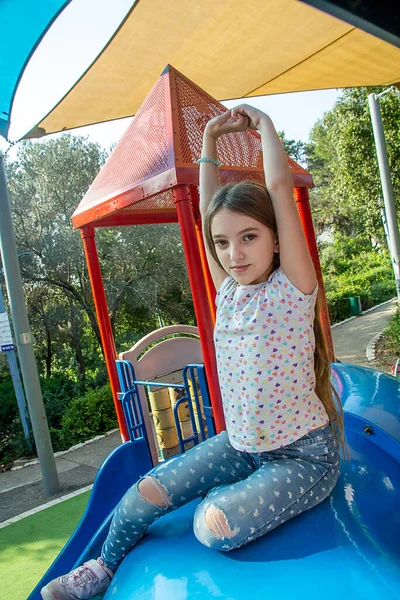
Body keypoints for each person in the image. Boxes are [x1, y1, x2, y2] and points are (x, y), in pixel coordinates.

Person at [41, 106, 344, 600]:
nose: (235, 253)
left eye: (250, 237)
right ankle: (101, 568)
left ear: (274, 239)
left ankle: (226, 499)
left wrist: (265, 127)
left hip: (303, 457)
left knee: (213, 525)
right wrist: (205, 142)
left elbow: (279, 195)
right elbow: (208, 213)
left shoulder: (293, 289)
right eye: (223, 243)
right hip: (241, 446)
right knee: (142, 495)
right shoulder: (227, 291)